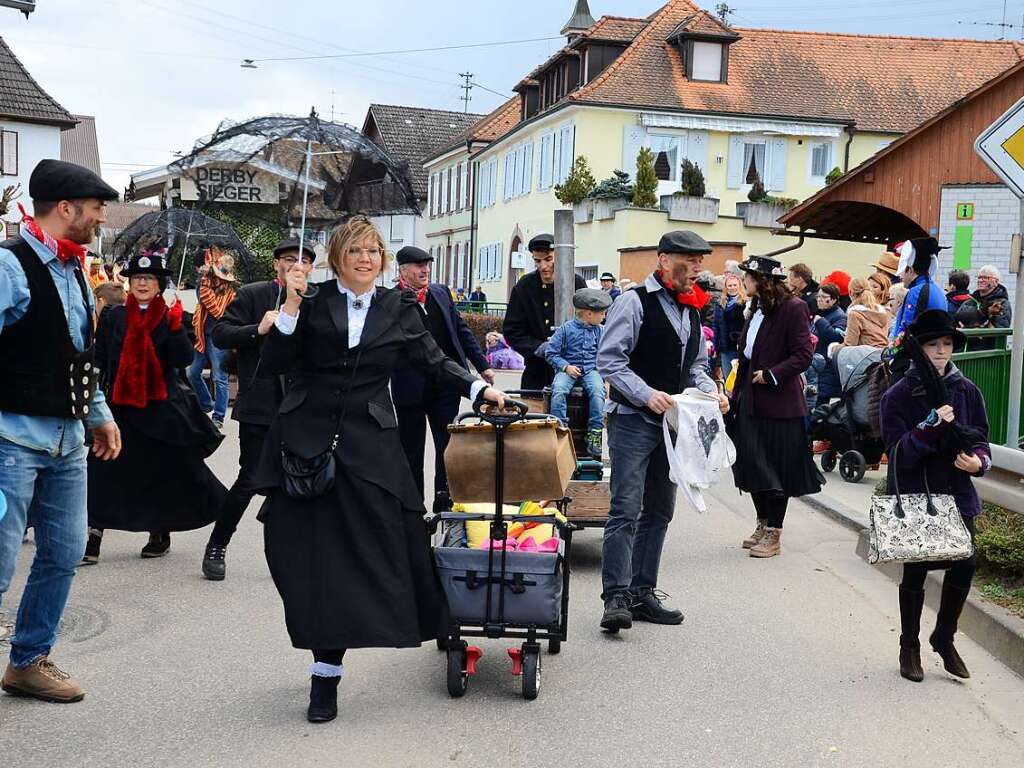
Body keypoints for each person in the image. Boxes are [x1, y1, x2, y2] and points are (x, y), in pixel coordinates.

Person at [251, 216, 507, 724]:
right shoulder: (311, 299)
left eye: (373, 251)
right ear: (337, 257)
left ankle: (423, 627)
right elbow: (274, 364)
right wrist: (290, 306)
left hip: (371, 448)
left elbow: (434, 361)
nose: (365, 259)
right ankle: (324, 672)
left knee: (390, 543)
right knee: (310, 560)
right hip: (306, 446)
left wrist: (480, 389)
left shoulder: (398, 307)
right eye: (355, 251)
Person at [0, 159, 122, 703]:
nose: (100, 219)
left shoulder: (74, 267)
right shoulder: (10, 266)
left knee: (65, 551)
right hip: (11, 443)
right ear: (67, 209)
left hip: (67, 442)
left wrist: (98, 411)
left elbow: (78, 354)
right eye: (95, 210)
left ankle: (27, 661)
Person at [597, 231, 729, 632]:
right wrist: (646, 394)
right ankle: (615, 597)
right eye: (689, 262)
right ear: (663, 260)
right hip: (633, 419)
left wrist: (713, 392)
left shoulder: (691, 312)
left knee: (659, 509)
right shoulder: (633, 302)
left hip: (673, 426)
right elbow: (609, 360)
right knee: (625, 508)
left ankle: (642, 593)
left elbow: (695, 368)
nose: (696, 271)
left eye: (700, 263)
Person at [83, 249, 226, 562]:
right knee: (102, 471)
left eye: (148, 278)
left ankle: (159, 531)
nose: (142, 283)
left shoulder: (172, 316)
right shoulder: (114, 315)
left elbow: (185, 361)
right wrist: (93, 402)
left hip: (161, 409)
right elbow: (100, 359)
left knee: (161, 472)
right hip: (119, 408)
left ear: (160, 284)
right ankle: (93, 536)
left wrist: (175, 328)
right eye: (137, 278)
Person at [879, 309, 991, 683]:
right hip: (918, 494)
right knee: (917, 570)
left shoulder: (966, 390)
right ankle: (908, 645)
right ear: (918, 349)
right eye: (932, 345)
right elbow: (896, 453)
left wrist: (979, 463)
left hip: (958, 492)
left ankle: (944, 636)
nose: (941, 352)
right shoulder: (898, 395)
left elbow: (980, 439)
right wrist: (929, 427)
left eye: (946, 344)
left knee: (966, 561)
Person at [200, 238, 315, 581]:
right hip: (260, 404)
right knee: (250, 478)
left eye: (304, 261)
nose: (296, 265)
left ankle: (291, 549)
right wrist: (258, 329)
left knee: (300, 479)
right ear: (276, 264)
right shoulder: (253, 295)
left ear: (311, 267)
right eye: (289, 259)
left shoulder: (317, 300)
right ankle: (218, 544)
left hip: (302, 407)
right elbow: (220, 335)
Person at [729, 255, 822, 559]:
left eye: (748, 276)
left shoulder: (793, 308)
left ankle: (775, 532)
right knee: (751, 464)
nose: (743, 281)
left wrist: (770, 375)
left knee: (776, 469)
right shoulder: (756, 308)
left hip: (780, 404)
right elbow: (746, 353)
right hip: (748, 399)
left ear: (763, 280)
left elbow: (803, 355)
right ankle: (762, 522)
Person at [392, 245, 494, 513]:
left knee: (447, 447)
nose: (424, 270)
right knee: (411, 449)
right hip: (409, 386)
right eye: (417, 266)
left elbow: (461, 330)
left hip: (445, 384)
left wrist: (482, 365)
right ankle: (413, 506)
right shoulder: (391, 300)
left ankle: (444, 499)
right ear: (402, 270)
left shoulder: (439, 293)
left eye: (427, 265)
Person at [503, 233, 586, 391]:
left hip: (573, 370)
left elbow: (589, 322)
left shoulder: (577, 283)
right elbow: (512, 331)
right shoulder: (524, 287)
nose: (543, 266)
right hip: (537, 371)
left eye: (548, 259)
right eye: (537, 261)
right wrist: (540, 348)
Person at [545, 287, 611, 460]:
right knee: (558, 390)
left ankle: (594, 432)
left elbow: (605, 356)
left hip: (591, 370)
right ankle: (560, 428)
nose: (604, 317)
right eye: (601, 313)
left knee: (598, 393)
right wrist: (566, 367)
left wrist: (604, 378)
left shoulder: (601, 331)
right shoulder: (566, 329)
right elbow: (551, 353)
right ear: (588, 314)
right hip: (567, 370)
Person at [186, 251, 237, 429]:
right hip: (202, 335)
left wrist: (205, 284)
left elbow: (216, 310)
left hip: (217, 338)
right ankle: (207, 403)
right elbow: (201, 300)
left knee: (219, 377)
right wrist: (203, 280)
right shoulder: (206, 283)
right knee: (192, 373)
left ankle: (219, 416)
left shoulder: (228, 292)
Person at [889, 238, 949, 351]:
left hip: (916, 357)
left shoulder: (916, 292)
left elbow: (907, 330)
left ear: (910, 270)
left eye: (902, 271)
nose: (900, 277)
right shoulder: (936, 290)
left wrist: (891, 352)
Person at [809, 282, 847, 410]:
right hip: (816, 364)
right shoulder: (821, 313)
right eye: (818, 297)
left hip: (827, 366)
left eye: (824, 297)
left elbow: (835, 338)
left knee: (820, 403)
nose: (819, 300)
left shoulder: (840, 316)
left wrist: (820, 322)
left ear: (834, 299)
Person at [961, 264, 1012, 351]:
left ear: (996, 282)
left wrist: (970, 328)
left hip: (986, 357)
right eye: (979, 277)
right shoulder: (969, 301)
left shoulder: (1002, 304)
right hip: (963, 354)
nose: (981, 280)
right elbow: (958, 321)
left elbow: (998, 332)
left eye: (986, 278)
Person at [833, 277, 891, 351]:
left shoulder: (855, 314)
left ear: (851, 293)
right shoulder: (881, 312)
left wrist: (833, 348)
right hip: (882, 353)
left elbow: (850, 344)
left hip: (865, 354)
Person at [714, 272, 746, 377]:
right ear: (726, 287)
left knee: (740, 377)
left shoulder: (745, 304)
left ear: (739, 286)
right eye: (730, 285)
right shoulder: (720, 304)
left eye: (735, 285)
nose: (732, 288)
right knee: (728, 378)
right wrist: (715, 346)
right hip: (725, 347)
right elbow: (716, 326)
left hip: (740, 347)